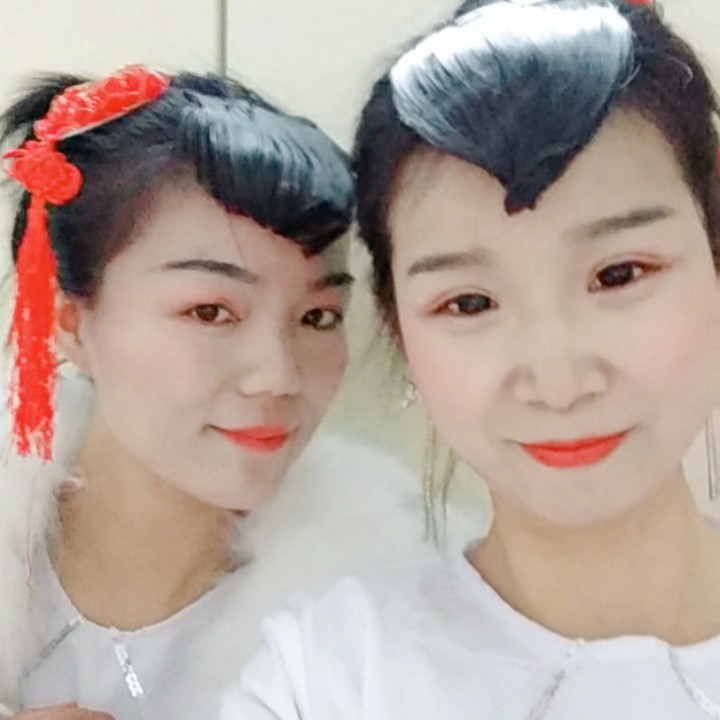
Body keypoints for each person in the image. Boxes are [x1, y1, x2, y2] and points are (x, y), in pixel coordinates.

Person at [223, 1, 720, 717]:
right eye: (470, 303)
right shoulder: (329, 675)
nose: (557, 383)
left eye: (619, 275)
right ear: (398, 330)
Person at [0, 66, 450, 720]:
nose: (279, 377)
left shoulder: (393, 630)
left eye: (317, 317)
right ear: (70, 322)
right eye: (210, 312)